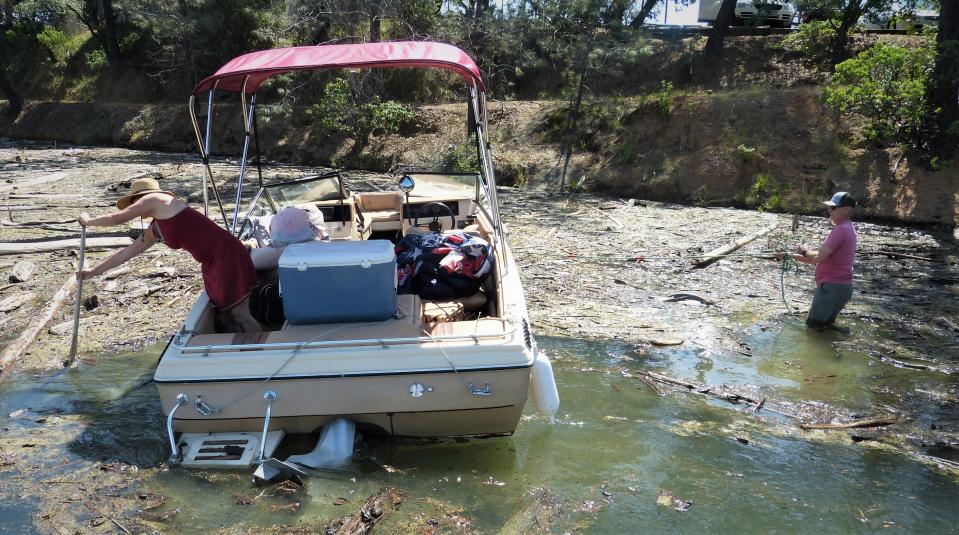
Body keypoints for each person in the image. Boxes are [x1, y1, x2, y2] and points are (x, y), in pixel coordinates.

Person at [77, 177, 261, 332]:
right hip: (211, 263)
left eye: (134, 202)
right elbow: (127, 252)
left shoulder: (157, 199)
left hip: (225, 254)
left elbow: (118, 218)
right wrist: (93, 271)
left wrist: (89, 221)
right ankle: (242, 352)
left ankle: (260, 353)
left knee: (239, 313)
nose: (134, 208)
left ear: (140, 198)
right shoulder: (156, 226)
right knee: (225, 315)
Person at [792, 191, 858, 330]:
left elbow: (818, 258)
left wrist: (804, 250)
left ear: (846, 209)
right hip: (841, 288)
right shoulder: (848, 228)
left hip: (831, 289)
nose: (829, 211)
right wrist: (790, 256)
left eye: (833, 208)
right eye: (828, 208)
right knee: (825, 327)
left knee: (813, 329)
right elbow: (820, 258)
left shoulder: (840, 230)